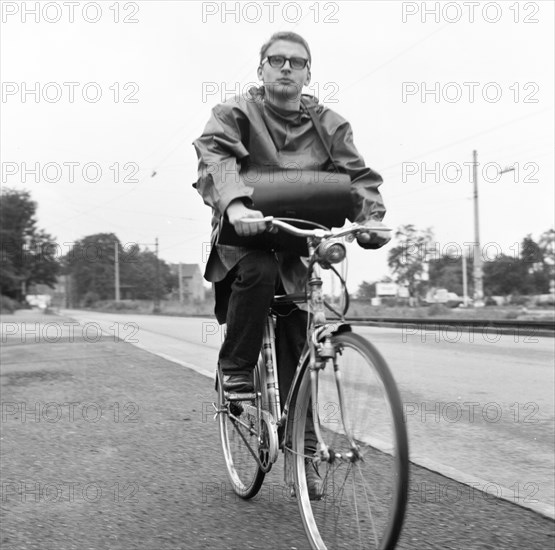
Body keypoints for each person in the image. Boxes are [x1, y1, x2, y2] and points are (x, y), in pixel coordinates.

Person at [193, 31, 390, 498]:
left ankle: (302, 447)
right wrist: (236, 206)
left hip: (299, 248)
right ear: (260, 68)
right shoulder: (234, 112)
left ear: (307, 73)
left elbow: (357, 176)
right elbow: (214, 158)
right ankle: (237, 370)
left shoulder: (328, 123)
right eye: (276, 60)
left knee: (302, 338)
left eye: (296, 62)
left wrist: (372, 219)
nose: (286, 68)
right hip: (247, 242)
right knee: (259, 270)